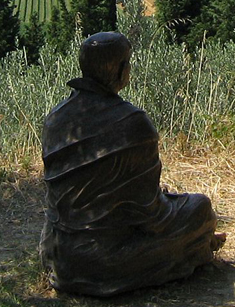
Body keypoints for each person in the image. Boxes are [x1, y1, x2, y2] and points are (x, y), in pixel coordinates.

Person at [41, 31, 225, 296]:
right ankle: (194, 248)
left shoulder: (55, 118)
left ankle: (196, 245)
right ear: (119, 70)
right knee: (200, 207)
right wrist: (178, 206)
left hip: (57, 252)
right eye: (128, 63)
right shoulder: (132, 122)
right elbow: (152, 217)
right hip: (104, 259)